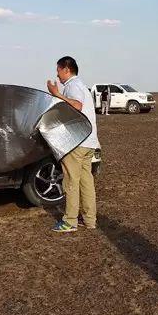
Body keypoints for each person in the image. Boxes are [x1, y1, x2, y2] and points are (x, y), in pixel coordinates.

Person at [46, 56, 100, 232]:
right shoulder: (82, 85)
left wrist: (57, 94)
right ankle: (90, 220)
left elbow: (77, 105)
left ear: (66, 69)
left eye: (58, 71)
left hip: (77, 142)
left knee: (71, 181)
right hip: (89, 142)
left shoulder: (72, 86)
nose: (57, 75)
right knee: (86, 182)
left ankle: (70, 221)